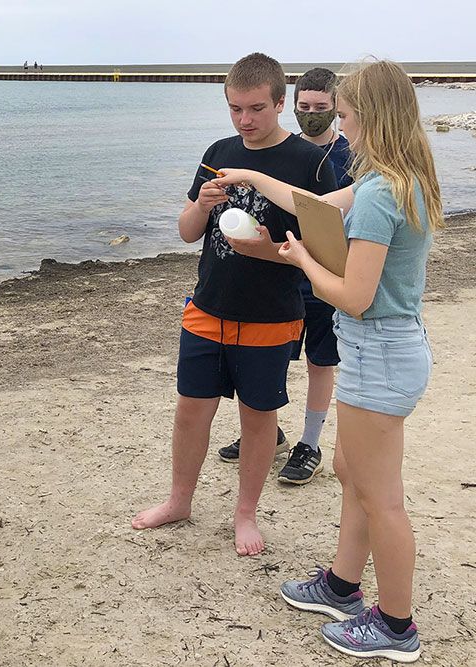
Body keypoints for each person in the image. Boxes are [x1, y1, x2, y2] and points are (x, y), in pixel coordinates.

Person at [214, 59, 440, 663]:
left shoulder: (379, 194)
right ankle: (341, 585)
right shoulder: (398, 177)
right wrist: (252, 178)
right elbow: (312, 202)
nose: (335, 124)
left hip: (379, 349)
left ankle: (395, 626)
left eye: (342, 115)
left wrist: (299, 259)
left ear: (369, 116)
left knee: (380, 495)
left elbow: (352, 295)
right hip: (385, 348)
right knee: (349, 469)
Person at [130, 53, 336, 556]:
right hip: (207, 306)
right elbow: (185, 234)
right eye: (235, 108)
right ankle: (179, 500)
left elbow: (331, 257)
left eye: (256, 109)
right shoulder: (219, 151)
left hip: (272, 315)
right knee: (190, 412)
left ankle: (246, 515)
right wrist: (200, 205)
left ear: (281, 103)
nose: (245, 120)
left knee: (258, 417)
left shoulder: (311, 163)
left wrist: (270, 251)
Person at [218, 67, 353, 484]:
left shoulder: (345, 156)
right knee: (269, 358)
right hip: (278, 276)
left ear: (336, 109)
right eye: (304, 107)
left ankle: (309, 442)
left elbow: (328, 215)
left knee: (319, 358)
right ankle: (267, 429)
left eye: (322, 109)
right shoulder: (281, 150)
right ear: (290, 106)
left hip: (321, 272)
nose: (311, 115)